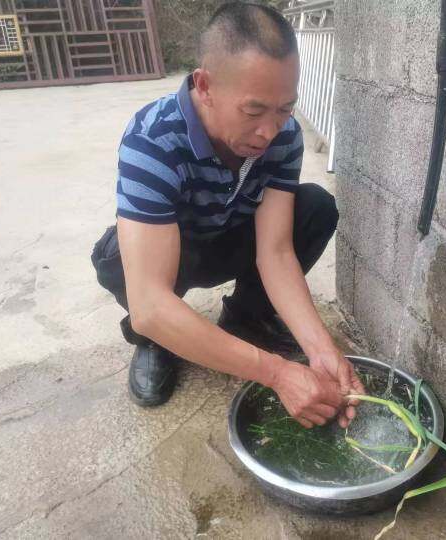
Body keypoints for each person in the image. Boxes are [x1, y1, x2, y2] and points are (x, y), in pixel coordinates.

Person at [91, 2, 364, 429]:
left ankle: (246, 319)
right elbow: (149, 302)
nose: (269, 131)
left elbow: (275, 251)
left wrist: (321, 349)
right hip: (175, 251)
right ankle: (156, 343)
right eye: (253, 111)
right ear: (205, 86)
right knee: (121, 265)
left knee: (314, 207)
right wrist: (276, 373)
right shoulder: (153, 139)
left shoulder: (283, 137)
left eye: (285, 108)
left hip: (233, 235)